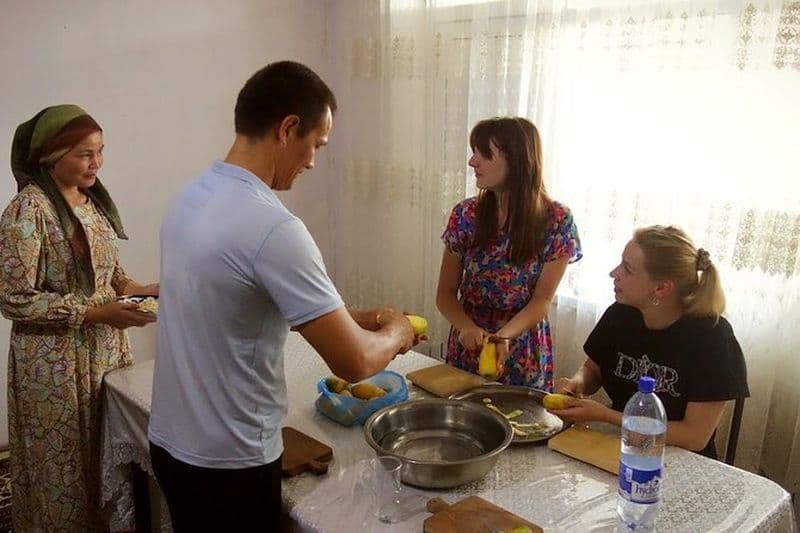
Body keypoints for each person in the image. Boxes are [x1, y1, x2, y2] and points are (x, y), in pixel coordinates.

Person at [147, 60, 416, 532]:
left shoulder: (191, 197)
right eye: (316, 145)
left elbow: (240, 303)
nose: (312, 161)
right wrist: (398, 330)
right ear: (289, 128)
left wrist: (349, 315)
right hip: (229, 460)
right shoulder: (274, 227)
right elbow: (353, 363)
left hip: (172, 443)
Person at [0, 104, 158, 531]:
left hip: (104, 350)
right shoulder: (27, 212)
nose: (97, 163)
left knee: (107, 451)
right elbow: (13, 298)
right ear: (51, 156)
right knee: (64, 465)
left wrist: (140, 289)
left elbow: (109, 272)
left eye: (100, 151)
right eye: (85, 154)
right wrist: (90, 311)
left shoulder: (92, 202)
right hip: (54, 365)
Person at [551, 225, 749, 459]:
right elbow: (593, 369)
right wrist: (578, 384)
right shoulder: (621, 314)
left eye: (627, 268)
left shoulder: (713, 339)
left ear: (661, 287)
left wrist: (605, 415)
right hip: (620, 448)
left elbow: (694, 437)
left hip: (679, 459)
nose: (614, 273)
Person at [436, 117, 581, 391]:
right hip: (469, 343)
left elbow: (542, 300)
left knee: (524, 428)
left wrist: (502, 337)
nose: (472, 162)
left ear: (516, 160)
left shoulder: (558, 220)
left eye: (483, 153)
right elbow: (445, 293)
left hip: (523, 345)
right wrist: (466, 328)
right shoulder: (465, 215)